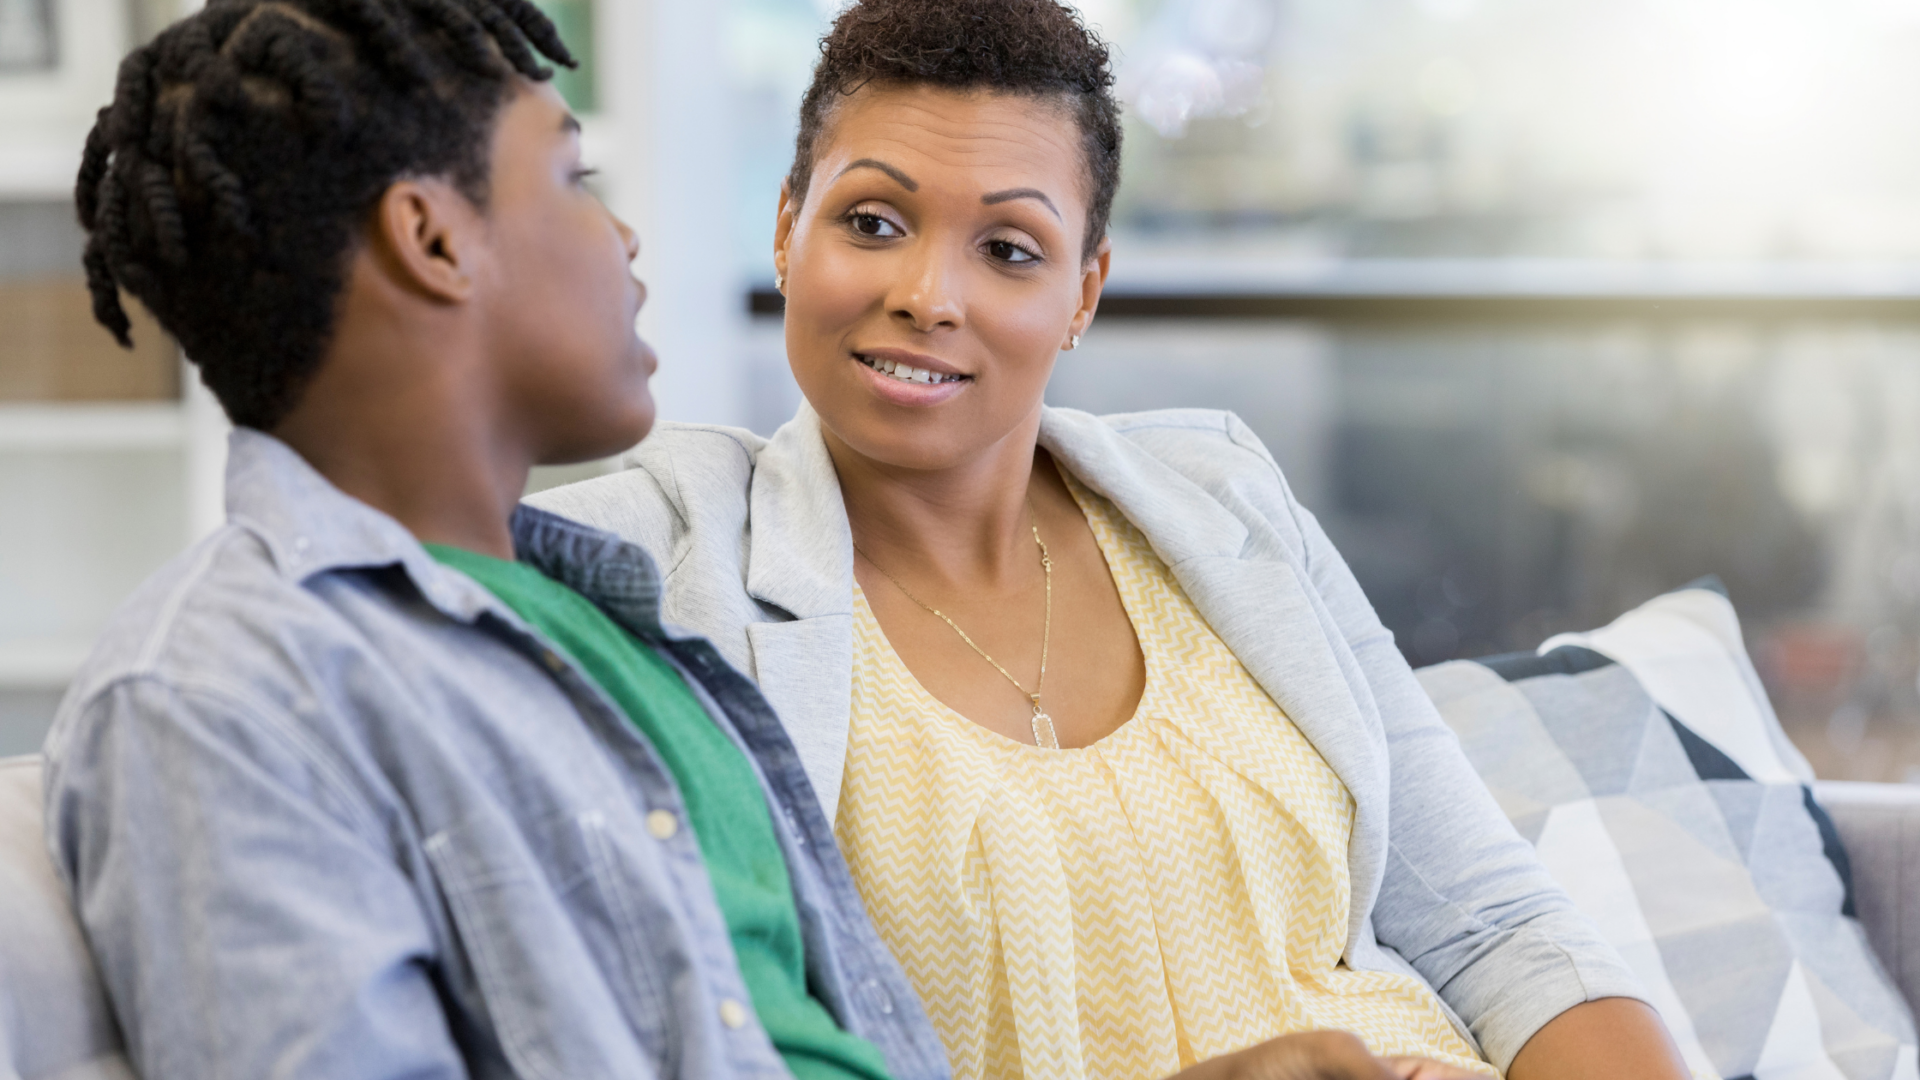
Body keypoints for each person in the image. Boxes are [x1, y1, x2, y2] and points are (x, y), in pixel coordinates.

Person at [529, 2, 1695, 1079]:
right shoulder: (664, 561)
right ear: (788, 233)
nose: (930, 294)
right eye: (872, 222)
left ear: (1084, 293)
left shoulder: (1221, 500)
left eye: (1010, 250)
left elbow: (1497, 923)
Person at [45, 3, 953, 1078]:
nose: (623, 236)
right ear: (432, 238)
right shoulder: (218, 693)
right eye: (573, 181)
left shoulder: (603, 610)